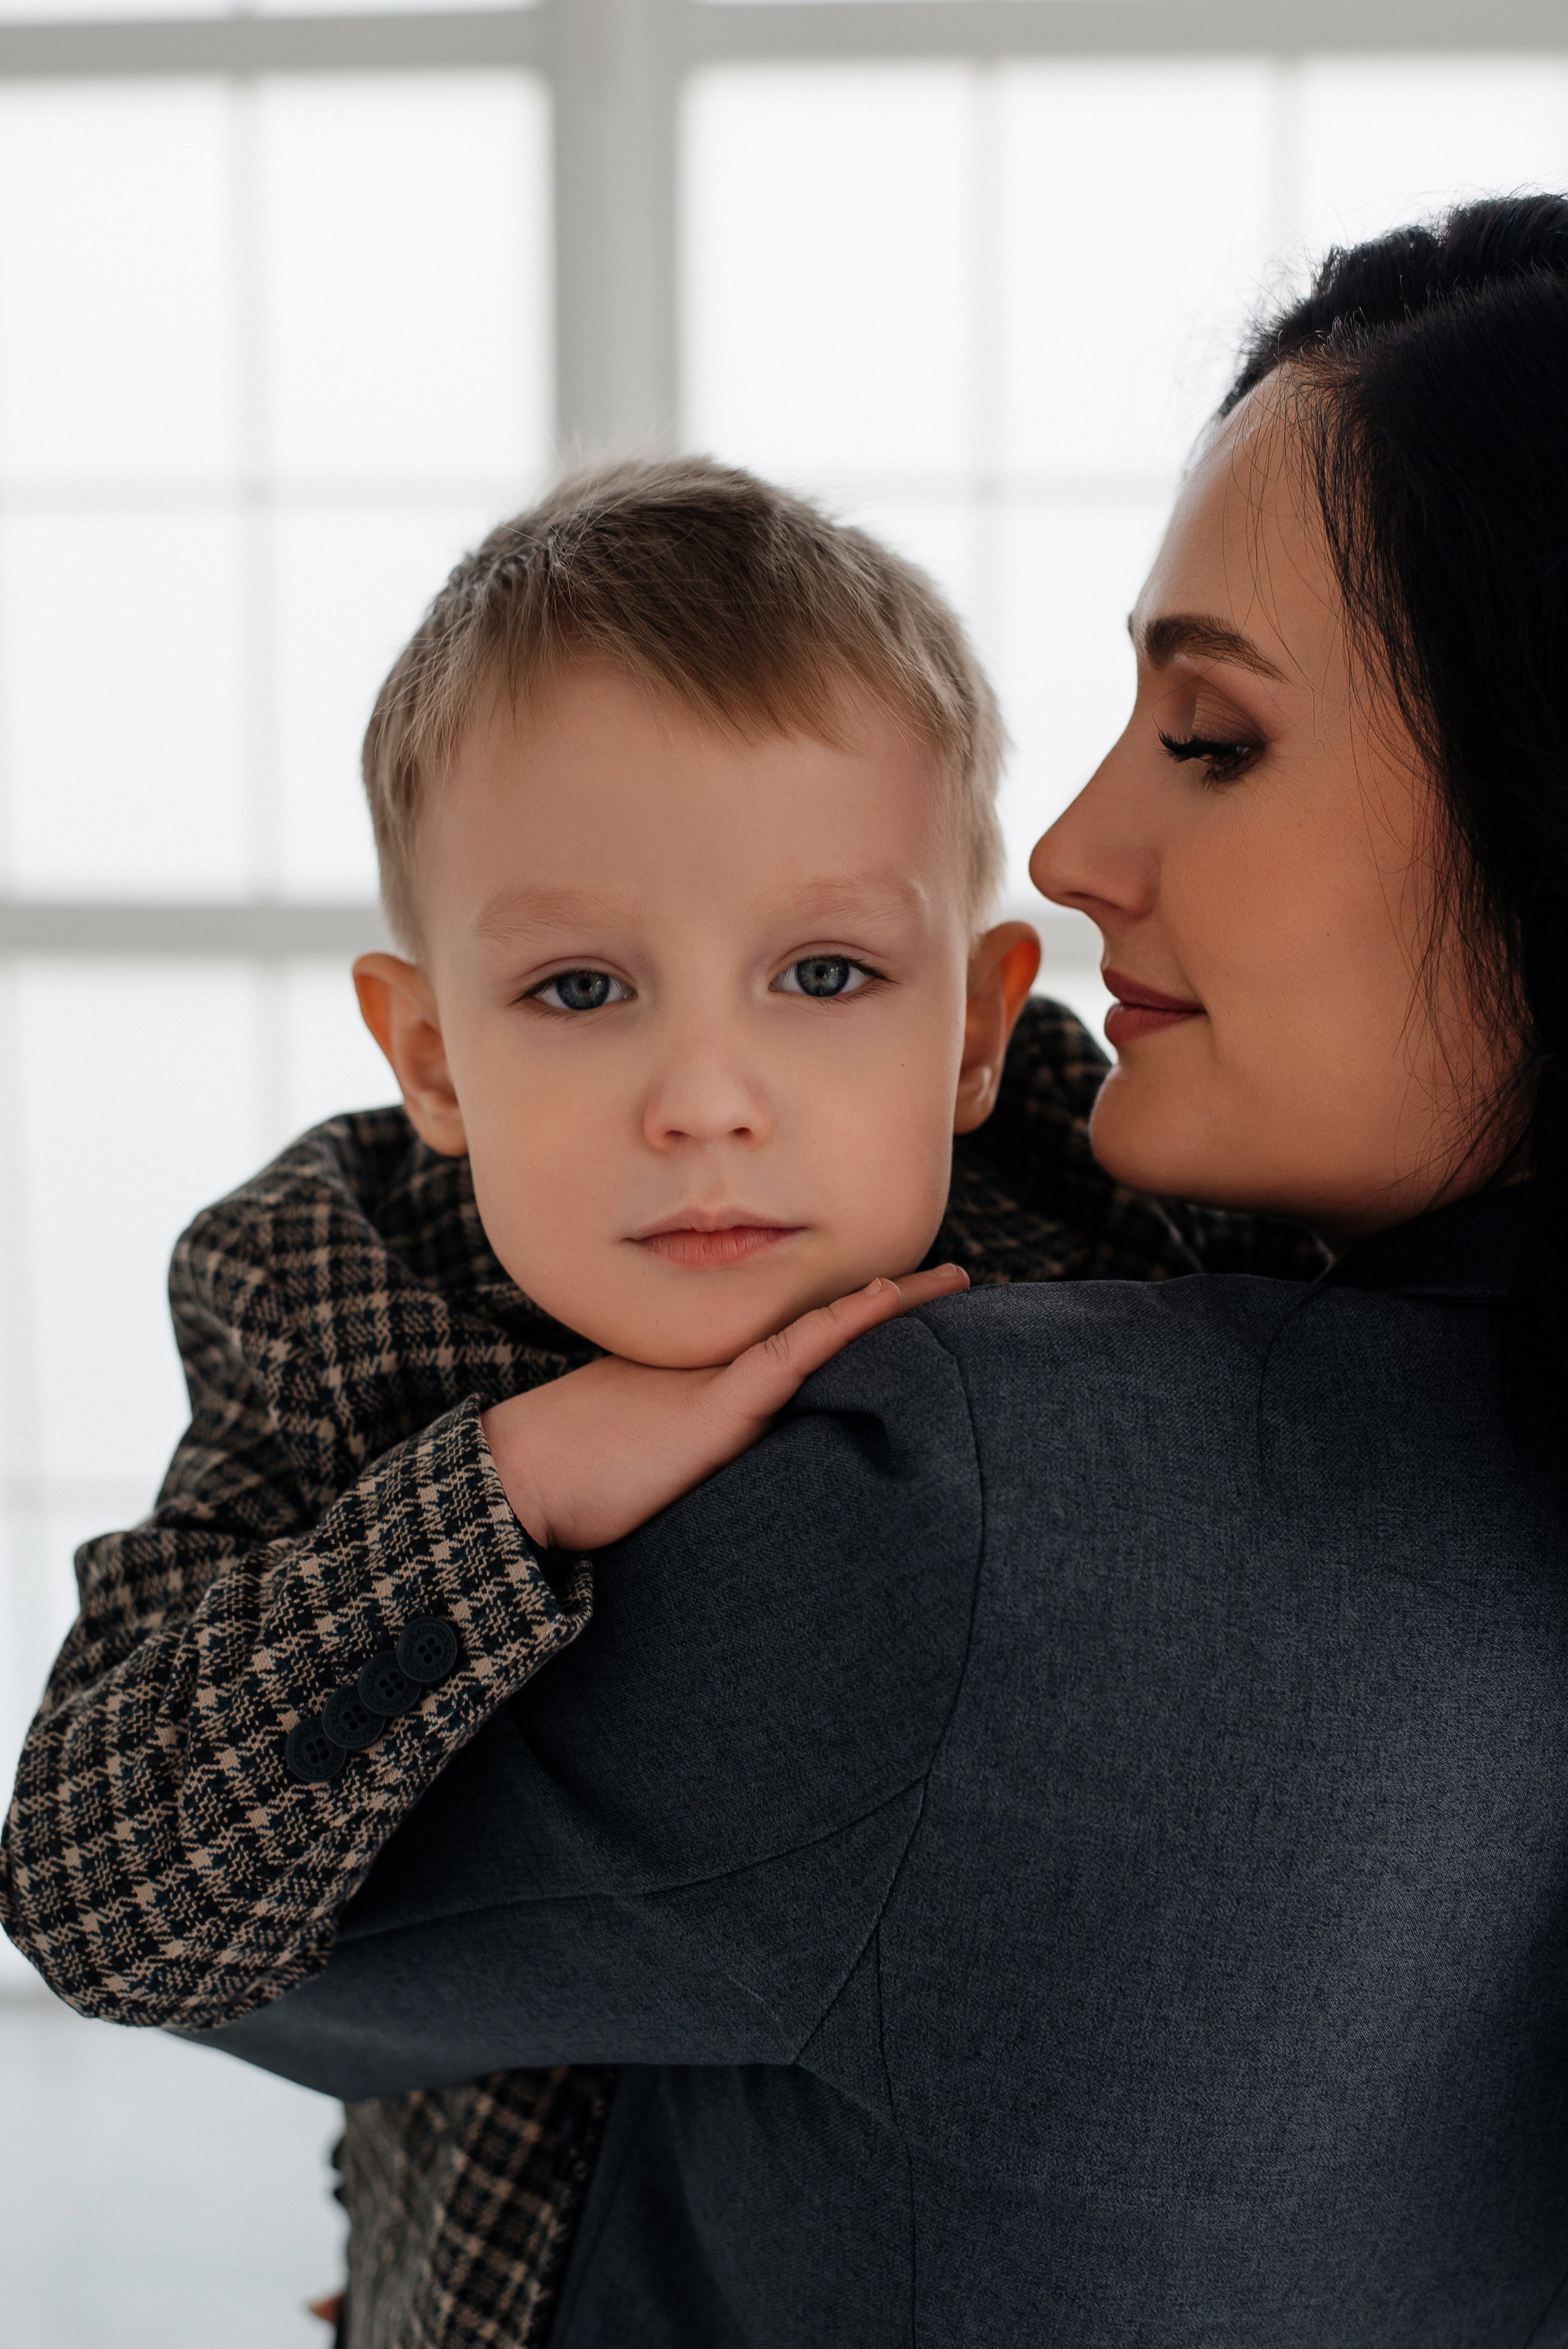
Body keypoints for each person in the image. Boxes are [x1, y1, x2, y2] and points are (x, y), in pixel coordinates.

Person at [187, 195, 1568, 2347]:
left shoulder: (962, 1488)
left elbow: (219, 1950)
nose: (1084, 844)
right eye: (582, 987)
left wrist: (486, 1492)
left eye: (1213, 738)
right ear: (426, 1042)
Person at [0, 458, 1309, 2347]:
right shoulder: (332, 1284)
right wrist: (505, 1483)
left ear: (970, 1025)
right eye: (585, 986)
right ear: (431, 1054)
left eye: (826, 972)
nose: (706, 1095)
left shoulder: (1111, 1212)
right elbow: (92, 1894)